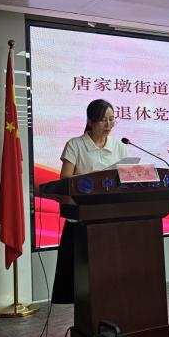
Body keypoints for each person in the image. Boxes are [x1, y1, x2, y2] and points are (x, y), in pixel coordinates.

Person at [51, 99, 127, 304]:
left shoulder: (119, 147)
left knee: (109, 273)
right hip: (81, 217)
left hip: (110, 217)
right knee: (82, 276)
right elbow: (65, 179)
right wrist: (93, 179)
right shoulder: (75, 145)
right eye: (103, 120)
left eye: (112, 119)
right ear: (90, 121)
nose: (109, 125)